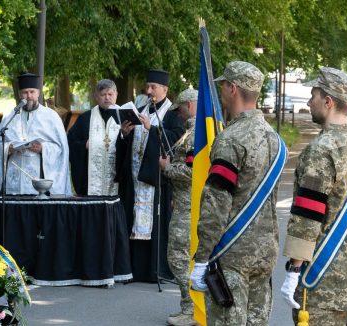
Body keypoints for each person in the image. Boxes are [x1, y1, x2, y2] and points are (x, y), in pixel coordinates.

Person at [188, 62, 283, 325]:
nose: (220, 93)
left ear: (232, 88)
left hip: (233, 255)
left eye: (222, 86)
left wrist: (201, 258)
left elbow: (216, 204)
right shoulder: (274, 138)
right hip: (265, 252)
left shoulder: (231, 139)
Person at [279, 67, 347, 325]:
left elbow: (308, 215)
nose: (309, 102)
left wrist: (294, 269)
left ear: (328, 102)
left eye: (314, 95)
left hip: (321, 278)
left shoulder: (321, 150)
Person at [115, 69, 185, 282]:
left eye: (154, 87)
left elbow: (176, 139)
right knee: (132, 221)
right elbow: (129, 143)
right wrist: (125, 134)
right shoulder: (140, 109)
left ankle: (157, 270)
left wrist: (152, 128)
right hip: (136, 179)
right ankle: (133, 269)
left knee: (157, 224)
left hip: (157, 180)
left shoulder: (173, 114)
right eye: (148, 86)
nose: (149, 90)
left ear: (165, 89)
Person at [0, 73, 71, 195]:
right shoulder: (10, 116)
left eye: (32, 92)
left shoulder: (51, 117)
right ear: (19, 94)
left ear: (38, 93)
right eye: (25, 92)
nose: (29, 96)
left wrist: (43, 148)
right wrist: (8, 148)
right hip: (14, 179)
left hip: (39, 179)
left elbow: (62, 148)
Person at [157, 87, 198, 326]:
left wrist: (167, 168)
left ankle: (190, 308)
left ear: (190, 105)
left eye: (181, 108)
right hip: (188, 202)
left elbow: (192, 172)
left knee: (178, 257)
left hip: (188, 206)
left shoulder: (193, 136)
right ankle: (193, 306)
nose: (179, 114)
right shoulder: (193, 133)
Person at [67, 79, 121, 196]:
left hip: (119, 181)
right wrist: (83, 145)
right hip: (89, 183)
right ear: (96, 96)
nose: (107, 98)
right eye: (103, 94)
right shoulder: (85, 118)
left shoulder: (125, 115)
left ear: (116, 94)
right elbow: (70, 142)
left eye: (110, 94)